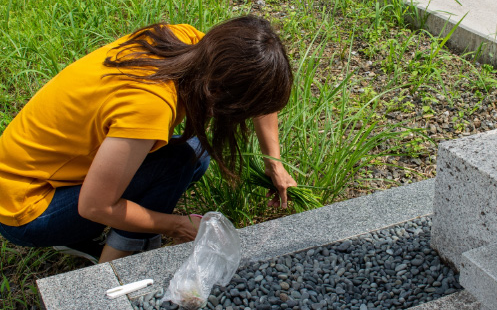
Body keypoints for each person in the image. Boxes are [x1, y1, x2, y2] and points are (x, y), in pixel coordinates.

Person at [0, 16, 297, 264]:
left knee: (195, 152)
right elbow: (94, 207)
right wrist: (177, 225)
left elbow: (258, 92)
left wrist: (274, 163)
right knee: (180, 160)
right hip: (26, 209)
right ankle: (112, 267)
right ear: (220, 94)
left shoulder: (187, 41)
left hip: (26, 175)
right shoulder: (150, 106)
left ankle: (92, 237)